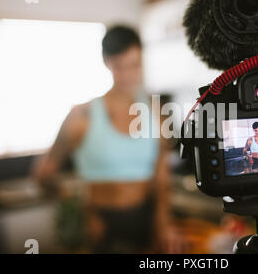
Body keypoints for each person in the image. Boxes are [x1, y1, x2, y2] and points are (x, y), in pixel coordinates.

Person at [31, 25, 182, 253]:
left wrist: (164, 224)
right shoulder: (81, 116)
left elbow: (162, 179)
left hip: (146, 224)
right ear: (106, 62)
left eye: (134, 65)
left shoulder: (156, 112)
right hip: (99, 227)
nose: (128, 75)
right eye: (119, 66)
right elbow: (43, 175)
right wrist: (80, 209)